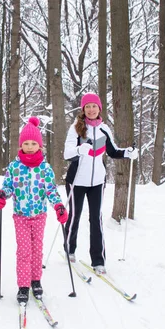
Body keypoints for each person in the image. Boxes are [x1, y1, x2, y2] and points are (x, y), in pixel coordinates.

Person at [0, 117, 68, 303]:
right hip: (21, 216)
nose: (29, 146)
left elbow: (51, 190)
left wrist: (58, 206)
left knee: (37, 249)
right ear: (20, 145)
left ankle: (36, 280)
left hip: (39, 215)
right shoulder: (15, 167)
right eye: (26, 143)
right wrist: (2, 194)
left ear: (40, 146)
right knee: (24, 251)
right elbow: (8, 186)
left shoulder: (45, 168)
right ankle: (23, 285)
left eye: (33, 143)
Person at [63, 93, 138, 275]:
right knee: (74, 216)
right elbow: (67, 154)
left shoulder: (104, 129)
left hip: (97, 181)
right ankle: (69, 249)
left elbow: (112, 151)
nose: (91, 109)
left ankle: (98, 260)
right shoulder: (76, 129)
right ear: (83, 109)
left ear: (99, 109)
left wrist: (127, 153)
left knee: (95, 218)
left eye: (94, 106)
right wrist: (80, 149)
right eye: (87, 106)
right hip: (76, 181)